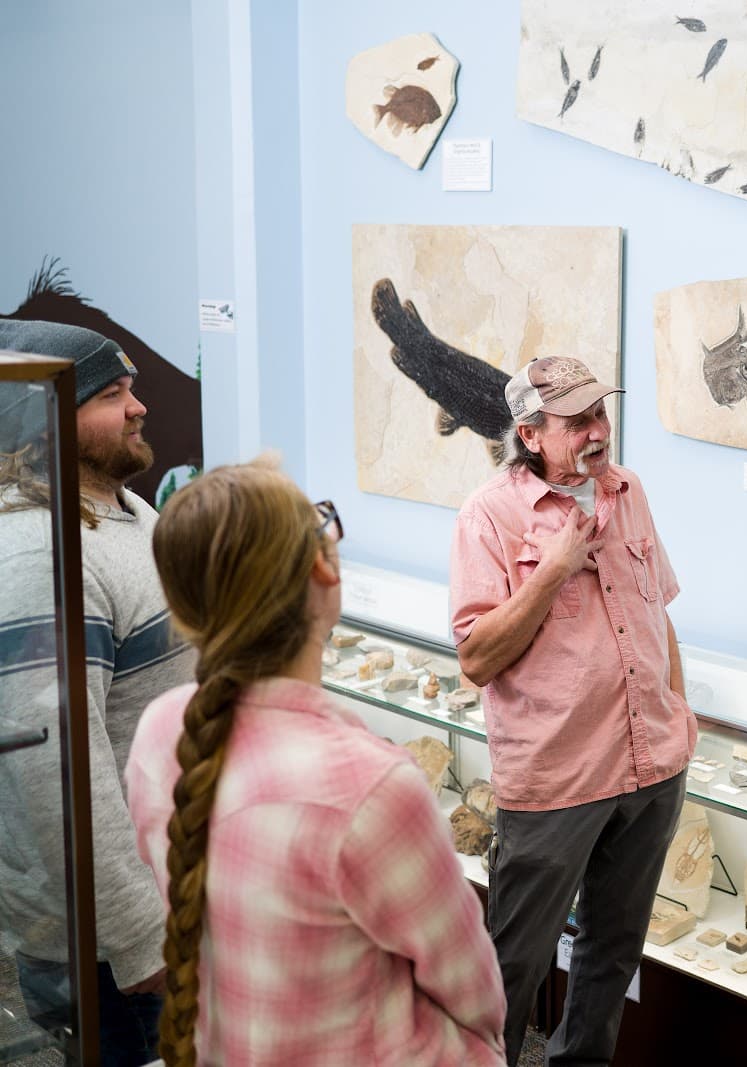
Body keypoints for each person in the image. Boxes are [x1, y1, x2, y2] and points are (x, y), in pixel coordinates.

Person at [125, 463, 506, 1065]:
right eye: (321, 520)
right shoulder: (371, 787)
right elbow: (474, 995)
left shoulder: (159, 730)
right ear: (322, 567)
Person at [451, 356, 693, 1067]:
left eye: (601, 414)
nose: (598, 431)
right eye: (577, 421)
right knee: (511, 967)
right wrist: (553, 569)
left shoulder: (629, 489)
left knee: (612, 955)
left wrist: (677, 714)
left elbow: (658, 611)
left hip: (650, 767)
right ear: (529, 434)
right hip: (556, 782)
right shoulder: (487, 516)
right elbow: (476, 658)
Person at [0, 319, 194, 1066]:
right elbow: (58, 771)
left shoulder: (117, 505)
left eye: (132, 386)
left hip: (158, 903)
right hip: (110, 954)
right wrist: (140, 937)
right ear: (49, 415)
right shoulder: (39, 550)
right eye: (111, 394)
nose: (139, 406)